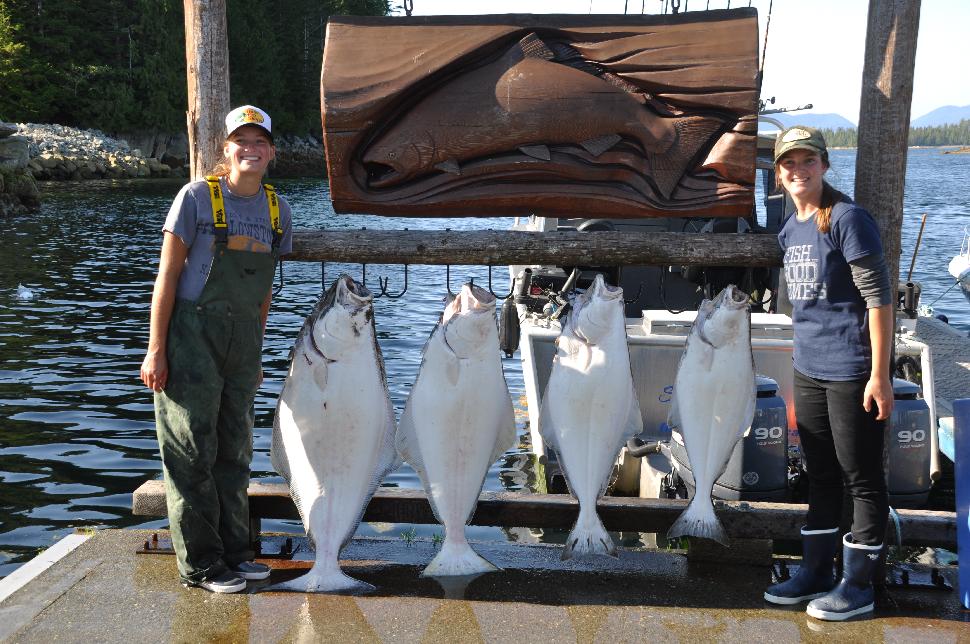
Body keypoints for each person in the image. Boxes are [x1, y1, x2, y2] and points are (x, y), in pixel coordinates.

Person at [140, 105, 293, 593]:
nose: (251, 149)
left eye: (259, 142)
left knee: (235, 452)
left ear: (271, 152)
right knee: (190, 451)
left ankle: (235, 553)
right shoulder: (195, 198)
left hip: (242, 343)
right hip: (191, 336)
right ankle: (201, 566)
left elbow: (265, 290)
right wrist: (155, 349)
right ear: (224, 150)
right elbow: (166, 277)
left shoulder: (277, 210)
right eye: (240, 141)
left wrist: (257, 352)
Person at [763, 126, 893, 621]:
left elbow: (879, 300)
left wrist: (878, 375)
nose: (799, 170)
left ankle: (858, 585)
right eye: (789, 163)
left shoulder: (847, 218)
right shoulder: (790, 228)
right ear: (779, 174)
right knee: (819, 474)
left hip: (851, 369)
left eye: (808, 161)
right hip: (807, 367)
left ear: (824, 165)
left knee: (861, 477)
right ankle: (816, 572)